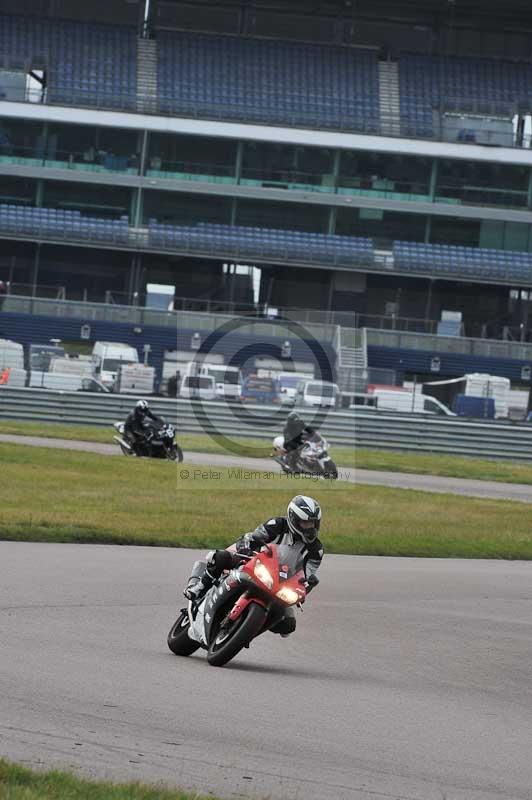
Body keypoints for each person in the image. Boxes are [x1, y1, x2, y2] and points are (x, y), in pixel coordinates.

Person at [183, 495, 323, 637]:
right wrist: (247, 546)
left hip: (280, 584)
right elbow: (254, 536)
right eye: (305, 524)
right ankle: (200, 587)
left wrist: (306, 586)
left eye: (313, 524)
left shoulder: (316, 550)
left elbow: (307, 576)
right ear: (293, 519)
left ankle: (247, 632)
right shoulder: (277, 524)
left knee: (288, 624)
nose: (310, 528)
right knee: (221, 557)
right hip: (256, 563)